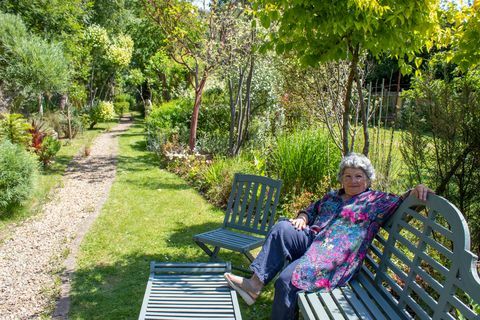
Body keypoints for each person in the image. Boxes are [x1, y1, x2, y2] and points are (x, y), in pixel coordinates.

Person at [224, 152, 433, 319]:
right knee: (282, 228)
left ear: (368, 180)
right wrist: (303, 217)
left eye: (359, 176)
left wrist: (416, 191)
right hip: (312, 240)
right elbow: (312, 209)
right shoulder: (333, 196)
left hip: (332, 257)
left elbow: (402, 205)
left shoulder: (375, 201)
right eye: (348, 176)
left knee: (287, 281)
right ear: (341, 178)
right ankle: (254, 285)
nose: (353, 181)